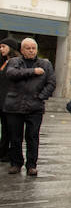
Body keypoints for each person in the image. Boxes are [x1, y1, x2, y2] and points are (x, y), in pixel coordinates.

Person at [3, 38, 55, 176]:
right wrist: (33, 71)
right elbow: (11, 74)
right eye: (28, 48)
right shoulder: (14, 62)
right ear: (22, 50)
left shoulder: (45, 64)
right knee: (15, 137)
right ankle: (16, 163)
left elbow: (51, 83)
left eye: (33, 48)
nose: (31, 50)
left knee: (32, 137)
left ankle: (31, 165)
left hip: (35, 106)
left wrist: (41, 96)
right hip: (14, 105)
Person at [0, 37, 21, 164]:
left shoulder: (15, 62)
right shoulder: (4, 61)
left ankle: (8, 153)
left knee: (9, 129)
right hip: (2, 100)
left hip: (8, 101)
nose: (1, 49)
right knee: (4, 128)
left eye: (3, 47)